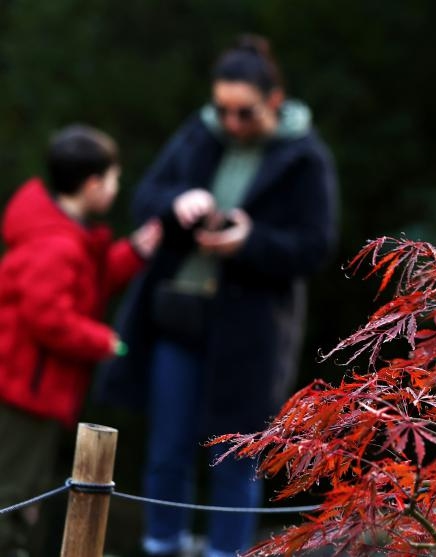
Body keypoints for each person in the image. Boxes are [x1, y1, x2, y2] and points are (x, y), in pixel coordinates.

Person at [95, 34, 338, 557]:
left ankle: (227, 552)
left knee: (235, 454)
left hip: (251, 331)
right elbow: (145, 198)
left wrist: (250, 240)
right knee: (166, 449)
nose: (231, 123)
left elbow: (315, 247)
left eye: (244, 112)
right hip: (177, 315)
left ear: (274, 101)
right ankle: (162, 546)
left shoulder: (305, 157)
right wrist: (179, 201)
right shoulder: (199, 134)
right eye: (222, 110)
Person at [0, 125, 161, 555]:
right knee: (13, 495)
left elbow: (86, 282)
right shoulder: (57, 243)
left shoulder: (62, 232)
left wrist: (136, 252)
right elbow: (47, 317)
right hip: (23, 393)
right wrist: (103, 340)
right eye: (113, 179)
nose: (115, 188)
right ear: (92, 184)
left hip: (33, 390)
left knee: (25, 493)